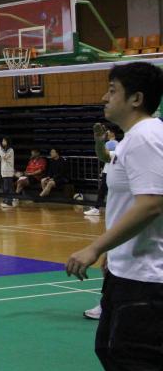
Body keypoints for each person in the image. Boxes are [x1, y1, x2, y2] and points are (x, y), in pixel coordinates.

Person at [66, 62, 163, 371]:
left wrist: (94, 247)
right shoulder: (131, 140)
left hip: (146, 280)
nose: (104, 97)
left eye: (112, 90)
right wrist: (115, 248)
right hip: (129, 270)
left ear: (136, 98)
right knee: (110, 350)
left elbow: (152, 204)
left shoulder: (146, 137)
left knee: (134, 364)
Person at [85, 124, 119, 320]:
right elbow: (105, 155)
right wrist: (99, 141)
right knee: (110, 267)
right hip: (116, 228)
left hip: (129, 228)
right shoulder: (123, 149)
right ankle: (107, 304)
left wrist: (96, 248)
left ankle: (107, 305)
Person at [86, 128, 118, 218]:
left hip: (110, 171)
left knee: (104, 190)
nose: (107, 133)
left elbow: (105, 155)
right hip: (108, 170)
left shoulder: (112, 143)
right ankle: (97, 208)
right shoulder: (117, 144)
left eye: (108, 132)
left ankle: (97, 208)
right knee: (104, 190)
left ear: (112, 133)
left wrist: (100, 142)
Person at [0, 137, 16, 209]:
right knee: (5, 188)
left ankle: (10, 202)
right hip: (3, 173)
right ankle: (6, 200)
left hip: (8, 172)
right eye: (2, 141)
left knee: (8, 188)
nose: (2, 142)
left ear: (8, 142)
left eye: (4, 141)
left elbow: (4, 156)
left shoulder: (10, 150)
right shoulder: (2, 150)